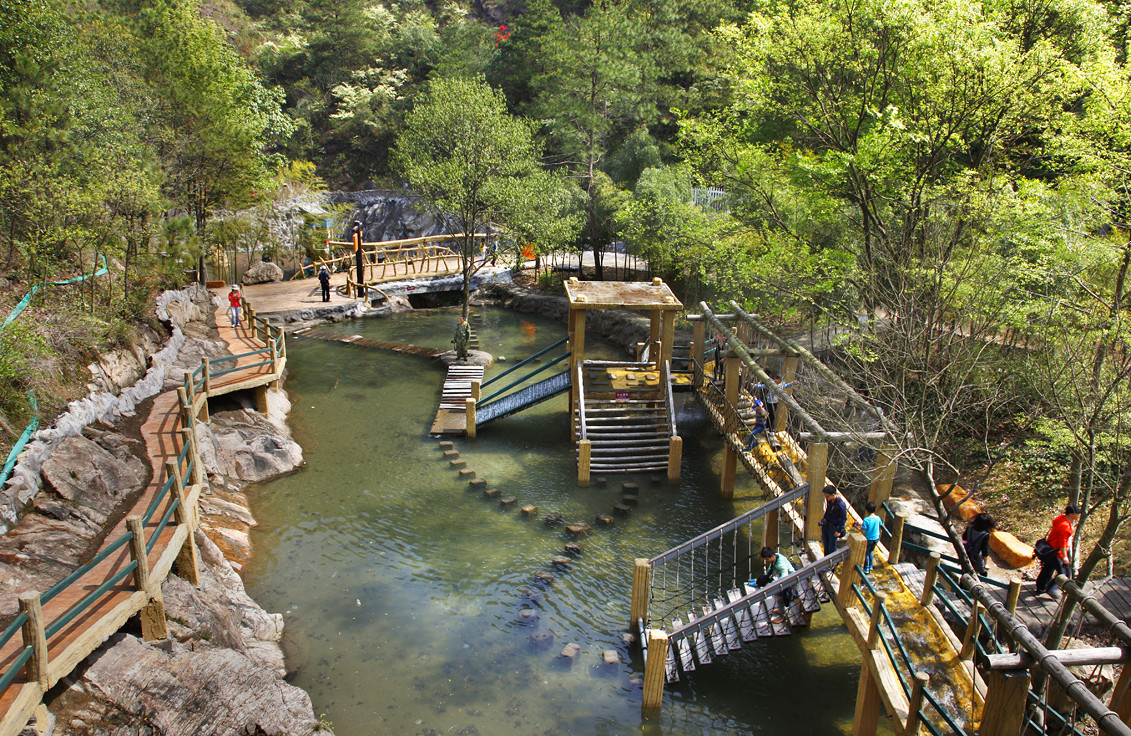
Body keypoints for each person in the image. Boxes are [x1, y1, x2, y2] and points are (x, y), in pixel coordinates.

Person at [1035, 504, 1080, 596]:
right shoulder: (1065, 526)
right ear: (1072, 514)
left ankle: (1041, 587)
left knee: (1048, 568)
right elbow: (1062, 542)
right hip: (1057, 552)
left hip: (1051, 549)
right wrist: (1065, 556)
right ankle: (1051, 589)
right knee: (1064, 573)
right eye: (1078, 513)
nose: (1079, 515)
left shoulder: (1061, 519)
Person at [854, 501, 882, 573]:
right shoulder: (878, 518)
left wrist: (858, 528)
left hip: (868, 539)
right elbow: (880, 524)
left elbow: (863, 531)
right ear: (875, 510)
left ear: (866, 510)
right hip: (876, 538)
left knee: (866, 552)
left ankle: (866, 568)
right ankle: (871, 566)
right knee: (871, 551)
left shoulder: (866, 520)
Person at [819, 485, 847, 556]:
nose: (826, 498)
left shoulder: (841, 505)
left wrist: (839, 531)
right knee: (826, 545)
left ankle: (832, 564)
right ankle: (826, 561)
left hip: (834, 528)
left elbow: (843, 519)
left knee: (832, 547)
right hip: (827, 526)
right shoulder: (830, 501)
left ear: (833, 495)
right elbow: (828, 511)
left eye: (827, 496)